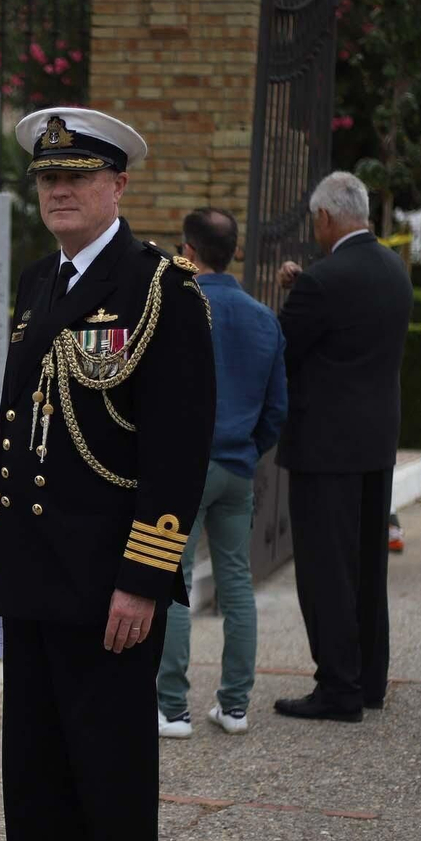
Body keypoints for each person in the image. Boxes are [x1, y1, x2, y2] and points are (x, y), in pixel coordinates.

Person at [0, 107, 216, 841]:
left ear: (119, 185)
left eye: (78, 176)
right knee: (35, 764)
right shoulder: (39, 282)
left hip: (110, 581)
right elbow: (10, 429)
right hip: (34, 573)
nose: (60, 191)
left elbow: (177, 453)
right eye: (46, 178)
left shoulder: (160, 289)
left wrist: (146, 580)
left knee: (108, 766)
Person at [272, 171, 412, 722]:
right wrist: (306, 283)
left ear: (327, 217)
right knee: (366, 568)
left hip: (324, 451)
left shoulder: (324, 281)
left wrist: (299, 289)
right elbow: (347, 329)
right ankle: (369, 680)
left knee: (327, 572)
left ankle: (338, 689)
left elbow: (284, 349)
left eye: (315, 221)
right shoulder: (392, 269)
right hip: (376, 446)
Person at [155, 207, 287, 739]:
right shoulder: (264, 318)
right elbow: (278, 408)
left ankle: (171, 709)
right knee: (237, 584)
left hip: (182, 468)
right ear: (233, 252)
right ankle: (234, 707)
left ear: (187, 251)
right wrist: (248, 449)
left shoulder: (173, 307)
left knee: (173, 582)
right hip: (238, 466)